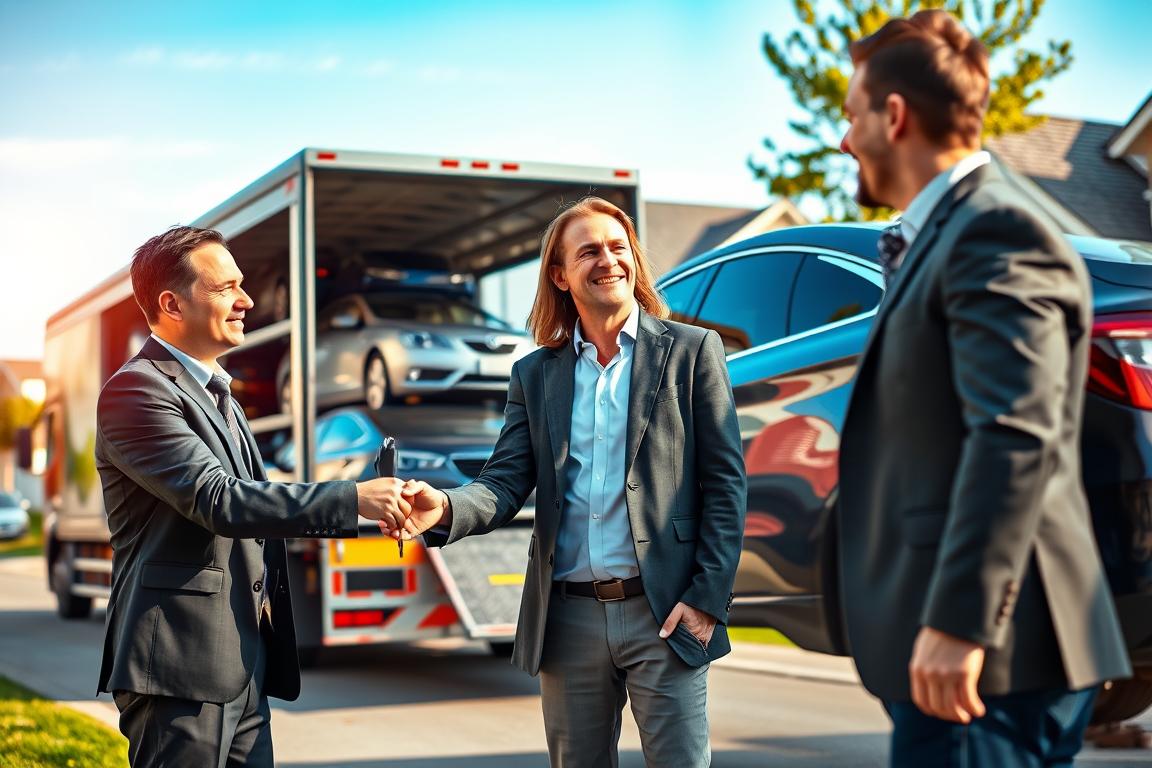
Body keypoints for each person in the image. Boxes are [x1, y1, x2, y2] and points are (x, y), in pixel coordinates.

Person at [835, 10, 1131, 766]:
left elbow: (1015, 435)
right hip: (970, 652)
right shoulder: (946, 237)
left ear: (893, 116)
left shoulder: (997, 232)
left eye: (850, 115)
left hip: (994, 656)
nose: (843, 140)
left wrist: (962, 620)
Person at [392, 197, 746, 766]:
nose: (608, 260)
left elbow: (726, 484)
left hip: (666, 613)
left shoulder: (691, 351)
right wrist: (442, 508)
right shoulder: (534, 374)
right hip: (568, 619)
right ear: (560, 275)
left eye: (617, 246)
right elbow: (503, 483)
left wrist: (707, 600)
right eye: (588, 251)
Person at [95, 225, 410, 768]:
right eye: (225, 288)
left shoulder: (222, 396)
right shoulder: (135, 391)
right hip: (179, 669)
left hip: (242, 662)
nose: (246, 301)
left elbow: (256, 500)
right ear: (172, 303)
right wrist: (352, 498)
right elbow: (222, 501)